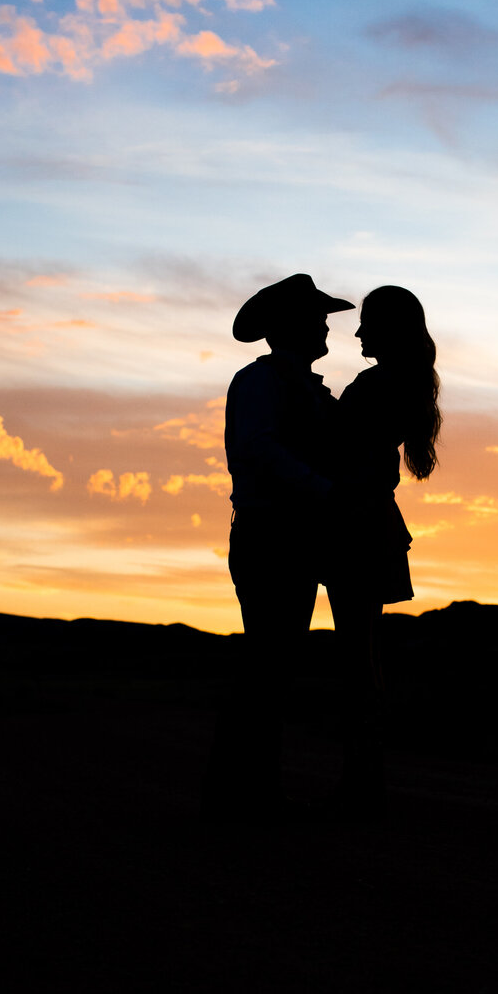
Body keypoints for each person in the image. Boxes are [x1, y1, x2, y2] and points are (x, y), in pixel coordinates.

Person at [204, 272, 354, 819]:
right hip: (271, 536)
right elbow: (260, 450)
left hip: (286, 536)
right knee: (266, 666)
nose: (325, 328)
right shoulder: (263, 382)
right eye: (317, 318)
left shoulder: (293, 385)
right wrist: (326, 492)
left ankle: (246, 792)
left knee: (272, 666)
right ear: (293, 325)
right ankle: (241, 794)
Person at [324, 285, 442, 812]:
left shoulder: (377, 385)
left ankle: (361, 782)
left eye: (367, 322)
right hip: (372, 523)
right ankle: (364, 777)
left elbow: (336, 446)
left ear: (389, 329)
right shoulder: (403, 384)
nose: (358, 332)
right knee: (362, 655)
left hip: (357, 525)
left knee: (357, 657)